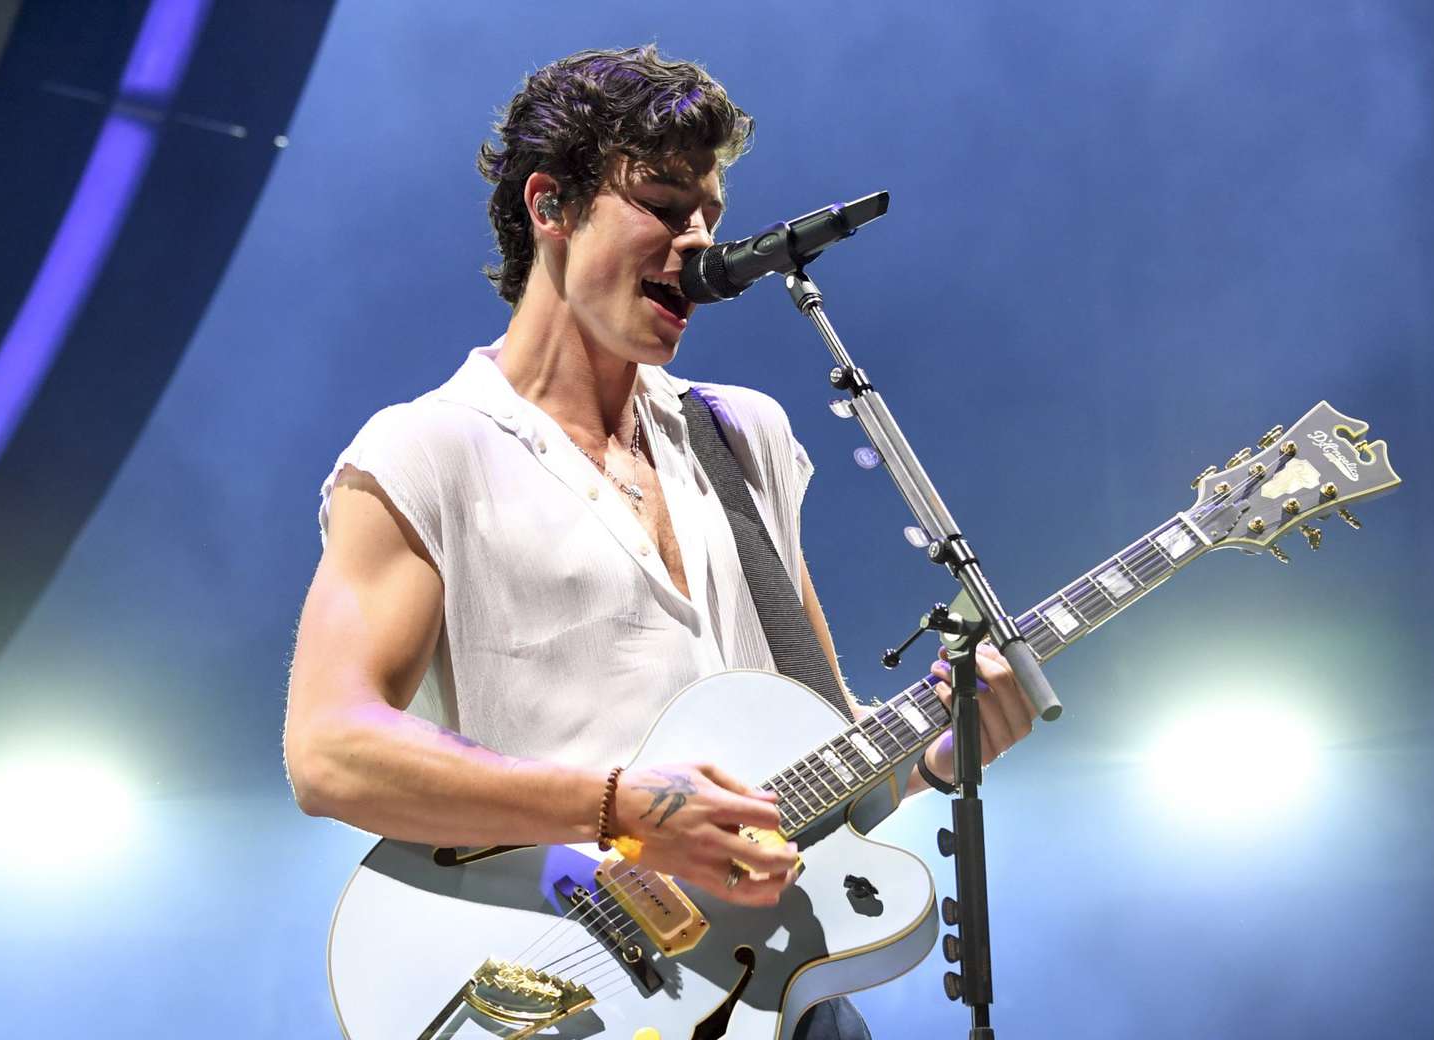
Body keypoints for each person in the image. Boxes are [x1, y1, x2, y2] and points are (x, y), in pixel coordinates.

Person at [283, 45, 1036, 1040]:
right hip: (560, 987)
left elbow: (820, 778)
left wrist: (939, 754)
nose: (699, 241)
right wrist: (620, 805)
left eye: (712, 214)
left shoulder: (744, 436)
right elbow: (330, 750)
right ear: (550, 206)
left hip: (768, 995)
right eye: (666, 203)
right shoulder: (425, 449)